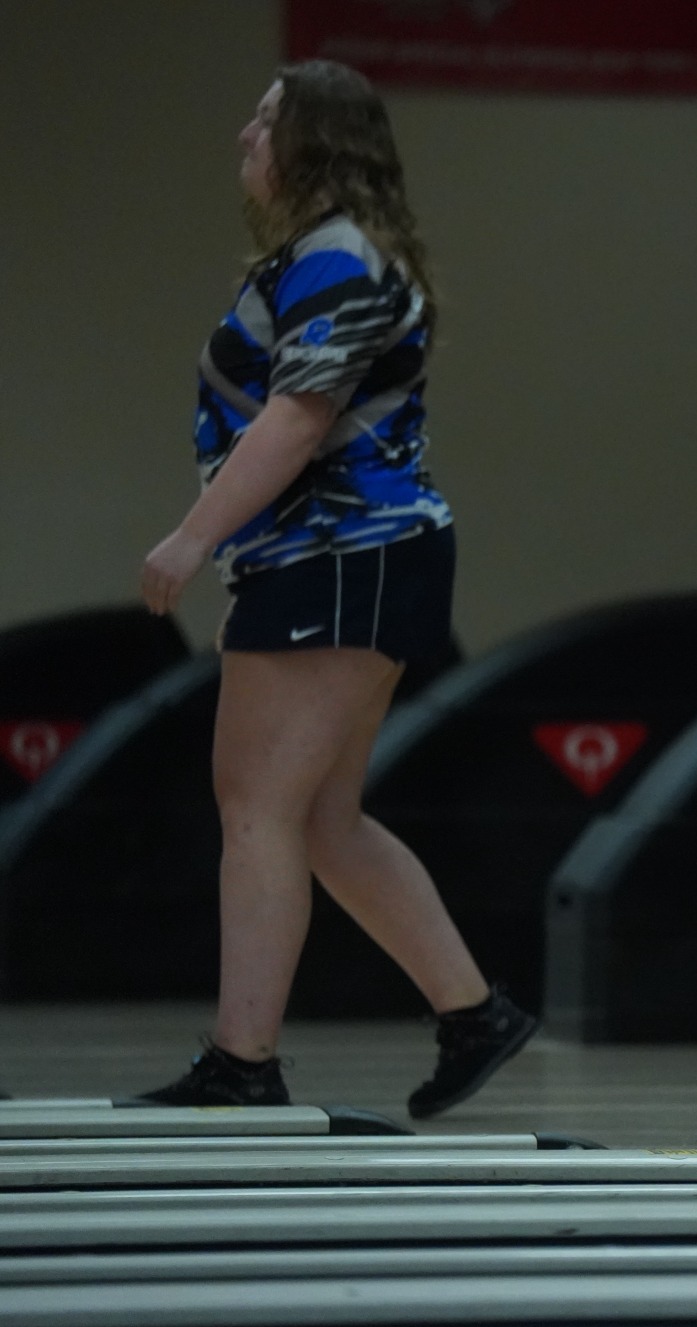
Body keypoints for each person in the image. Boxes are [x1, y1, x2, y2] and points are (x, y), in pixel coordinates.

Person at [134, 60, 535, 1118]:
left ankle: (243, 1061)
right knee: (320, 817)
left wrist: (191, 537)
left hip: (340, 554)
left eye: (265, 121)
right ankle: (471, 1010)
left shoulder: (338, 257)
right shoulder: (322, 256)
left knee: (258, 805)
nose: (244, 139)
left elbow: (298, 418)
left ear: (315, 141)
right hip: (341, 557)